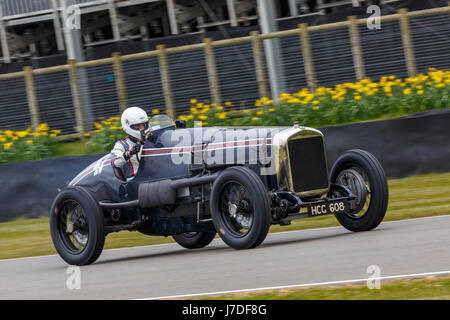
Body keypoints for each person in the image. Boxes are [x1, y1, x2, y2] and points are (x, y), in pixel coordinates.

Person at [111, 107, 150, 180]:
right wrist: (131, 152)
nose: (142, 128)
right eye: (138, 125)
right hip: (135, 182)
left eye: (143, 124)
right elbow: (115, 162)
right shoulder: (122, 145)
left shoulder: (151, 139)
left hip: (154, 176)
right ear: (128, 125)